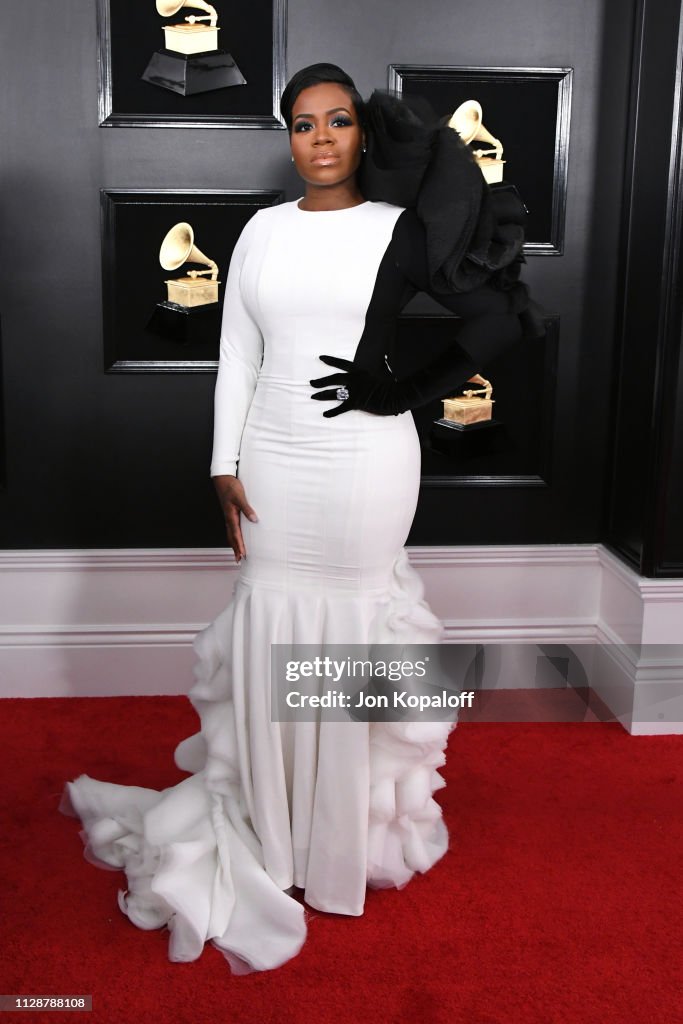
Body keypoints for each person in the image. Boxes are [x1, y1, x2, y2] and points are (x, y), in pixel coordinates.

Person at [60, 63, 538, 974]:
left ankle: (344, 841)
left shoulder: (400, 230)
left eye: (338, 121)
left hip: (364, 464)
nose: (320, 138)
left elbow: (499, 321)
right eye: (303, 124)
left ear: (363, 134)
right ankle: (277, 834)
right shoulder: (260, 233)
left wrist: (401, 389)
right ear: (289, 137)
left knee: (353, 640)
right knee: (271, 629)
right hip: (272, 462)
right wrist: (221, 463)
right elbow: (237, 349)